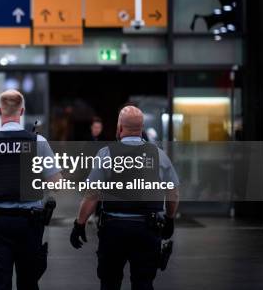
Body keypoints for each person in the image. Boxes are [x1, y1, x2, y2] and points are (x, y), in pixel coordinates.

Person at [0, 89, 61, 290]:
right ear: (21, 111)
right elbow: (56, 183)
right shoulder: (38, 143)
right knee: (29, 282)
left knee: (0, 282)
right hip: (30, 224)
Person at [70, 106, 180, 290]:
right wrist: (169, 219)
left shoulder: (106, 154)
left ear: (120, 127)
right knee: (143, 284)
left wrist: (79, 224)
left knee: (110, 283)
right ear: (142, 127)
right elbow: (173, 193)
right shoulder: (158, 155)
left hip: (113, 231)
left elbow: (91, 195)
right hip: (148, 230)